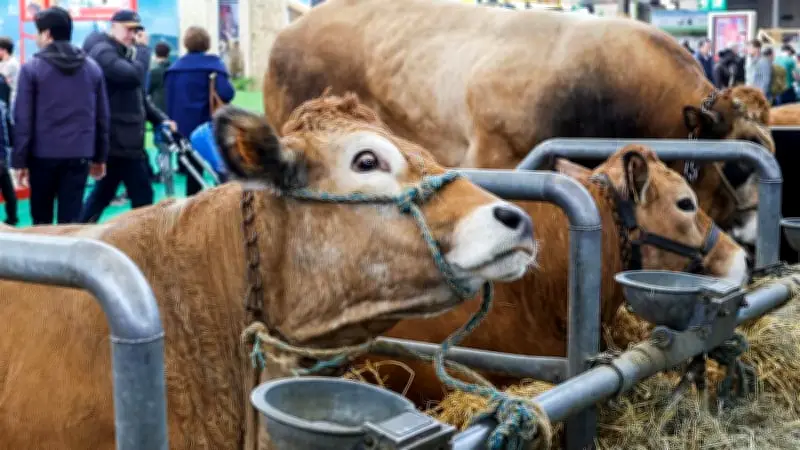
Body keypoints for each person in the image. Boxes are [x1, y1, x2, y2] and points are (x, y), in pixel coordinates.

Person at [11, 6, 109, 225]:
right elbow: (102, 117)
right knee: (71, 221)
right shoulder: (92, 68)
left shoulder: (32, 69)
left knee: (41, 221)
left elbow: (23, 119)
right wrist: (100, 157)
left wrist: (19, 161)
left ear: (46, 34)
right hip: (79, 154)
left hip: (42, 156)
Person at [79, 9, 175, 223]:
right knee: (141, 196)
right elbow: (133, 78)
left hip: (125, 139)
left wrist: (160, 119)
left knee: (104, 195)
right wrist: (142, 49)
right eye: (128, 29)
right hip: (118, 139)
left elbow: (138, 98)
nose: (132, 35)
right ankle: (146, 240)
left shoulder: (120, 51)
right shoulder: (103, 52)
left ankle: (81, 232)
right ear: (113, 26)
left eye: (136, 31)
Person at [164, 26, 234, 196]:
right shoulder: (214, 66)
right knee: (220, 172)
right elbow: (226, 93)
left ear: (186, 44)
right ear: (207, 44)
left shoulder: (173, 70)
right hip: (208, 129)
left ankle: (193, 214)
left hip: (183, 130)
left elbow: (168, 102)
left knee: (193, 175)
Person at [0, 95, 17, 225]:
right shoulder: (2, 105)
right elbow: (9, 132)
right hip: (2, 155)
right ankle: (12, 218)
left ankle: (12, 217)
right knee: (7, 189)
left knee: (7, 188)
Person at [147, 42, 171, 112]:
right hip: (171, 108)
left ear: (156, 54)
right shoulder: (172, 71)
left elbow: (147, 91)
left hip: (157, 109)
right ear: (168, 55)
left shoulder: (153, 72)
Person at [0, 37, 20, 105]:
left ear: (4, 50)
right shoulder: (4, 62)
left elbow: (2, 78)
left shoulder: (12, 63)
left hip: (12, 100)